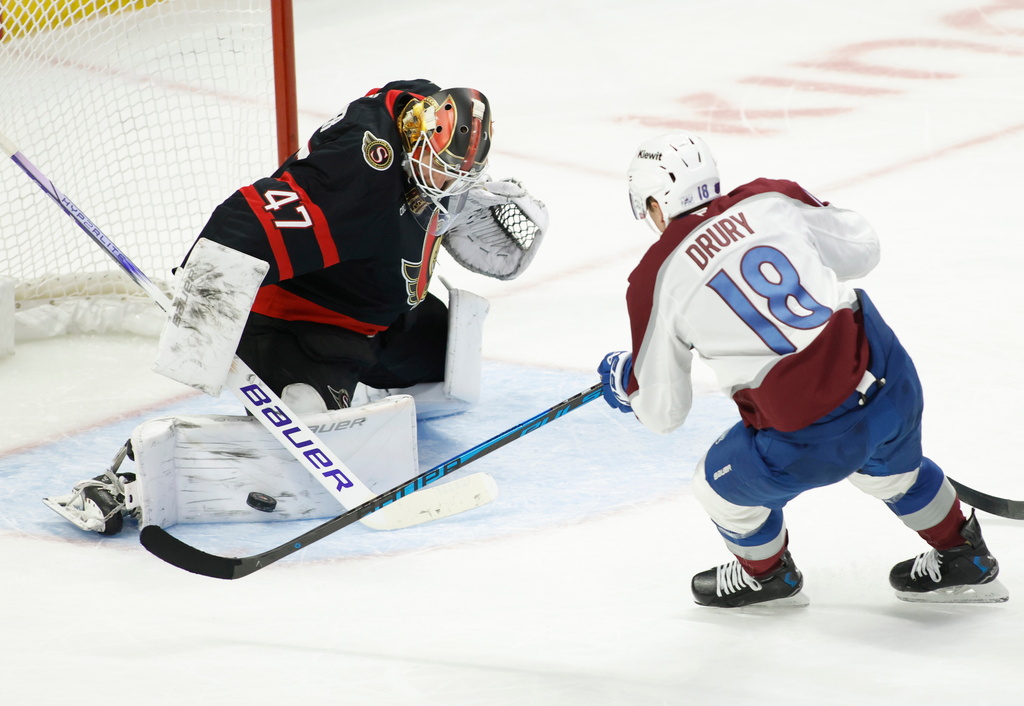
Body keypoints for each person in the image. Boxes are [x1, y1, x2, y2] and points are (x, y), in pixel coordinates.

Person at [43, 79, 547, 536]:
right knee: (304, 427)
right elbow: (247, 216)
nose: (443, 184)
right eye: (439, 169)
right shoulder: (357, 172)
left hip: (383, 318)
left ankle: (366, 382)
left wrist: (453, 206)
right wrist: (206, 293)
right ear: (415, 133)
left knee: (451, 358)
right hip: (300, 326)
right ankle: (129, 482)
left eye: (457, 174)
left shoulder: (419, 113)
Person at [597, 130, 1007, 607]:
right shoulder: (770, 196)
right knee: (890, 471)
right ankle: (966, 557)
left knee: (715, 488)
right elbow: (862, 250)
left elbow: (663, 411)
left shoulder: (656, 276)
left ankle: (768, 577)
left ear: (653, 202)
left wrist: (628, 384)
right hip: (891, 377)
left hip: (818, 435)